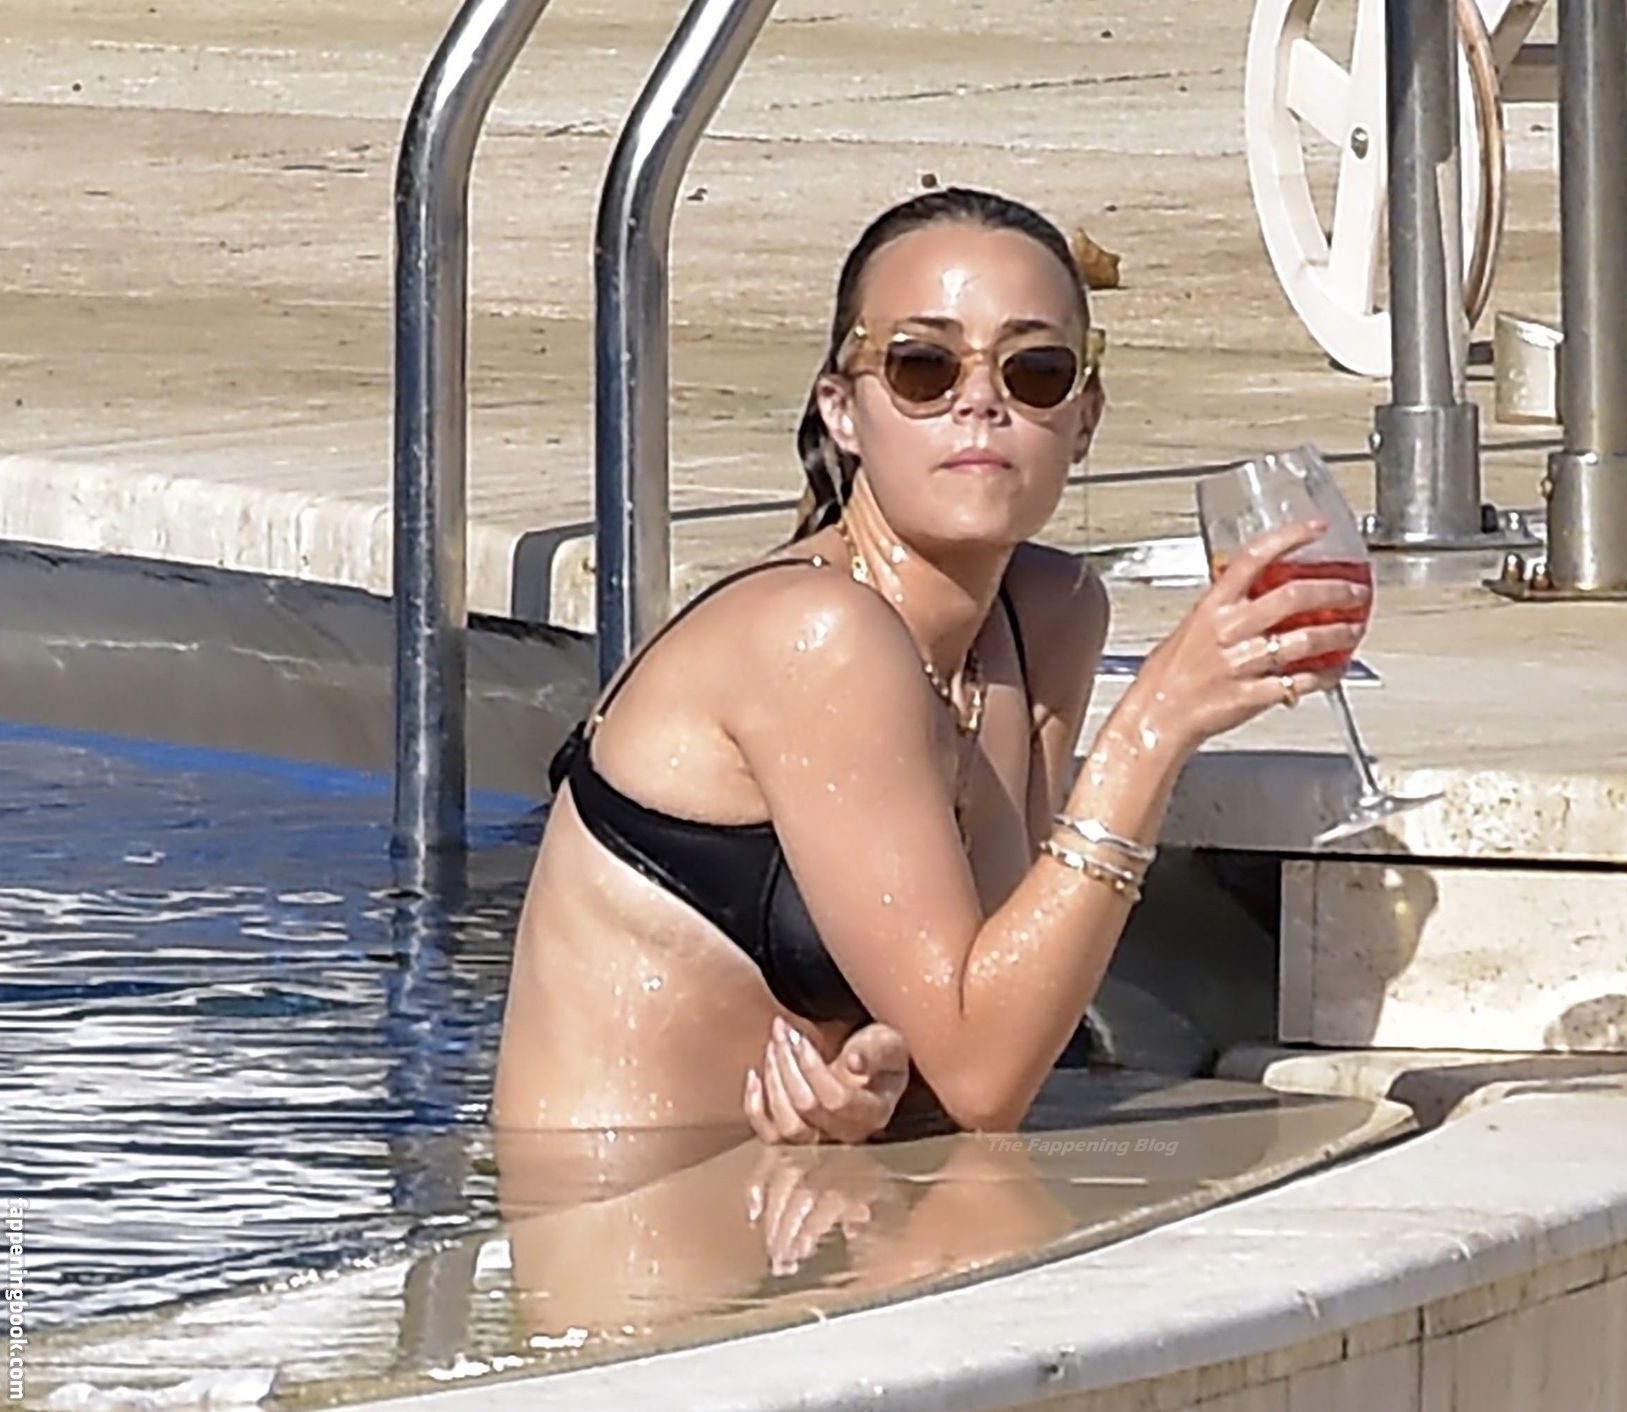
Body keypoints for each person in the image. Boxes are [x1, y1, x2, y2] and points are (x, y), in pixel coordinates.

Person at [490, 186, 1369, 1143]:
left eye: (1035, 371)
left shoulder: (1048, 615)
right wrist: (1154, 727)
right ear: (843, 411)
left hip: (804, 1186)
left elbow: (999, 1021)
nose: (980, 402)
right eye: (923, 368)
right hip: (607, 1205)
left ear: (1084, 418)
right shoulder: (815, 636)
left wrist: (885, 1085)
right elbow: (989, 1078)